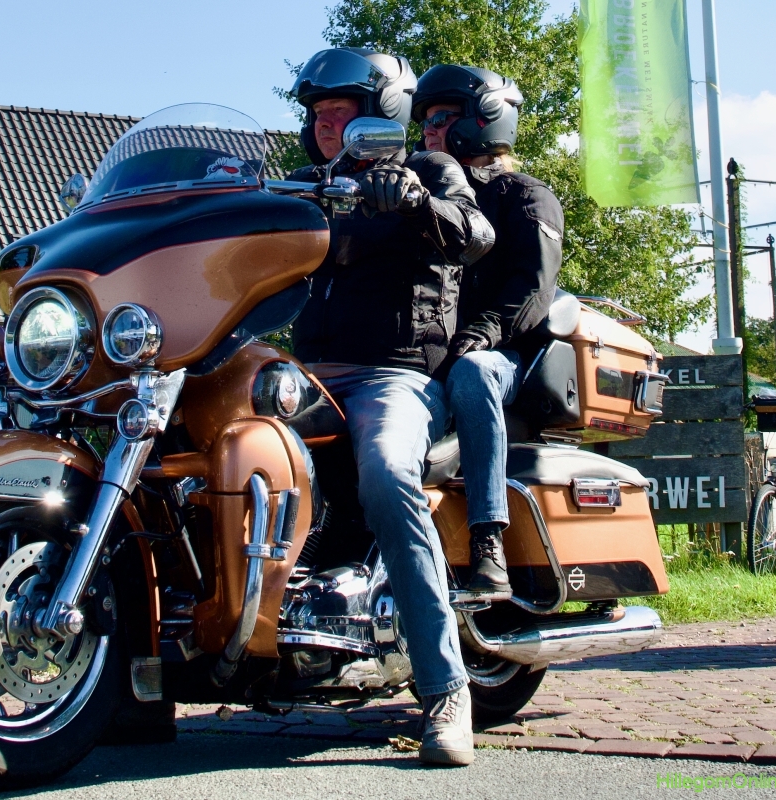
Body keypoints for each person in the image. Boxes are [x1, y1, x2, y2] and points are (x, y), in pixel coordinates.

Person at [288, 48, 494, 766]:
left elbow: (476, 234)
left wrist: (413, 202)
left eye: (340, 111)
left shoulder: (428, 170)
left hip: (393, 374)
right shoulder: (303, 188)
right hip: (303, 376)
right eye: (318, 113)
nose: (325, 123)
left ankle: (445, 690)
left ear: (382, 115)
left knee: (383, 472)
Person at [408, 65, 564, 596]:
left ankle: (488, 540)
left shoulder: (525, 197)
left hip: (507, 357)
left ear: (485, 119)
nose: (429, 131)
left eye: (441, 118)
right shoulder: (427, 197)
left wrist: (483, 332)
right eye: (425, 122)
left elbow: (534, 288)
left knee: (473, 374)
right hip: (435, 355)